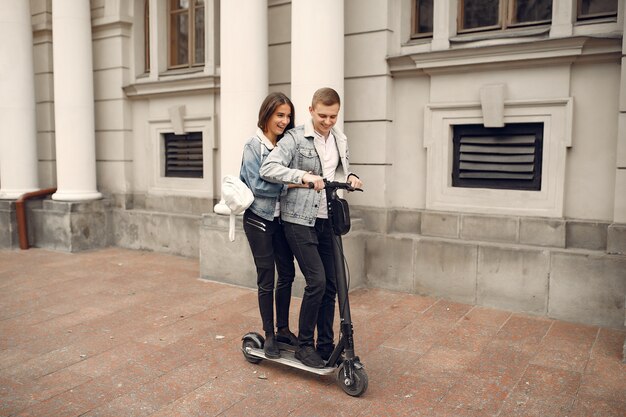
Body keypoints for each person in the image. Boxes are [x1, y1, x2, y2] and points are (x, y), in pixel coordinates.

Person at [260, 87, 363, 368]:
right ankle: (305, 345)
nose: (328, 122)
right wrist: (303, 175)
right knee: (316, 282)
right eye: (323, 116)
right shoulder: (294, 137)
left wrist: (351, 177)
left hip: (327, 219)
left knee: (332, 283)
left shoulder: (339, 139)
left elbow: (338, 171)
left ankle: (326, 345)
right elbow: (268, 168)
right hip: (298, 220)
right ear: (311, 110)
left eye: (333, 116)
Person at [240, 92, 300, 359]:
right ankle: (270, 335)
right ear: (267, 115)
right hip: (258, 219)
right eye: (280, 115)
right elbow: (258, 186)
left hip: (280, 220)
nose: (285, 121)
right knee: (267, 277)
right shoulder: (254, 147)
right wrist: (291, 182)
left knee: (287, 273)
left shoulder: (285, 146)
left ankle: (284, 329)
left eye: (288, 116)